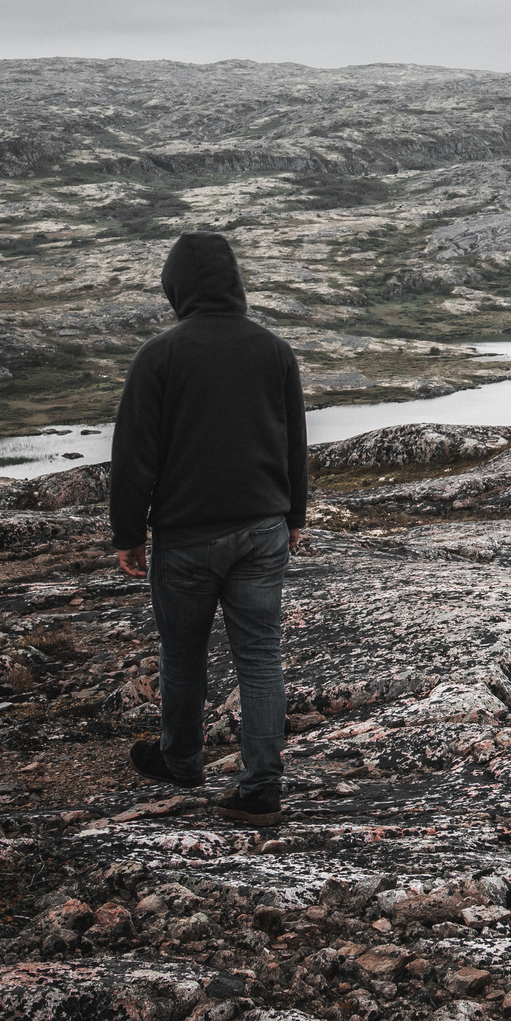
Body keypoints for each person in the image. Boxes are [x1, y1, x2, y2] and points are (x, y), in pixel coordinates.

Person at [111, 232, 308, 828]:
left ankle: (181, 760)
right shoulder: (274, 350)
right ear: (234, 283)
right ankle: (262, 788)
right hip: (262, 530)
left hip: (186, 537)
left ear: (177, 288)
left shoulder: (160, 355)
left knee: (183, 655)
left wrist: (128, 534)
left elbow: (134, 456)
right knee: (261, 658)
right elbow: (293, 442)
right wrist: (294, 516)